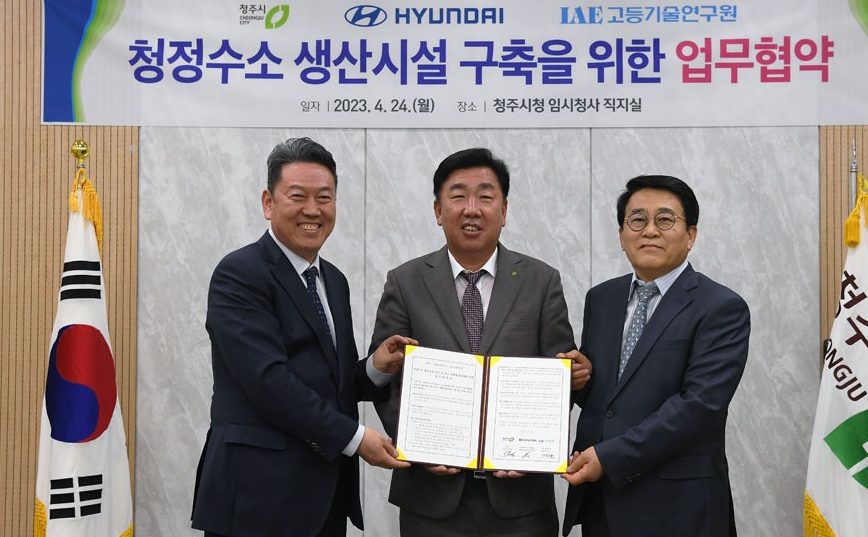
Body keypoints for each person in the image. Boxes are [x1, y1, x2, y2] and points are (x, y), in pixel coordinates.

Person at [191, 137, 415, 537]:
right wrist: (356, 438)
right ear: (268, 203)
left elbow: (330, 384)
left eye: (324, 197)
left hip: (323, 497)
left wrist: (376, 367)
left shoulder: (334, 280)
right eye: (298, 196)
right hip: (257, 498)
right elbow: (268, 381)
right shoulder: (240, 273)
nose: (313, 210)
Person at [369, 147, 592, 537]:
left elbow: (558, 378)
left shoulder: (541, 281)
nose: (471, 209)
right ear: (438, 211)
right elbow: (387, 379)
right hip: (430, 501)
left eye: (485, 197)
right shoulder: (405, 282)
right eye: (458, 196)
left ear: (503, 211)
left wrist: (538, 441)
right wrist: (418, 445)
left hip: (521, 503)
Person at [562, 174, 751, 537]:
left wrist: (610, 457)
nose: (649, 230)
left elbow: (698, 407)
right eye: (637, 220)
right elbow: (613, 396)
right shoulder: (601, 298)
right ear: (622, 235)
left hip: (679, 507)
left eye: (664, 220)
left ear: (690, 235)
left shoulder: (720, 307)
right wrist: (579, 380)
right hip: (603, 500)